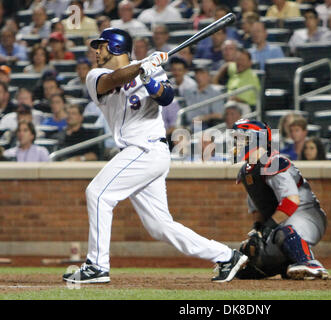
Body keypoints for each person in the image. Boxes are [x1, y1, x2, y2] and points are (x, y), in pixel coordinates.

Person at [62, 27, 248, 284]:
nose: (96, 50)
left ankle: (97, 266)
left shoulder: (150, 68)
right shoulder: (96, 75)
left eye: (101, 45)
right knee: (159, 226)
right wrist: (141, 67)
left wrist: (150, 78)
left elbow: (166, 97)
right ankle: (226, 255)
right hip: (138, 153)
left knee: (98, 193)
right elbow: (113, 80)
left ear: (116, 47)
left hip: (147, 148)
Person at [231, 119, 328, 280]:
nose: (236, 144)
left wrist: (266, 229)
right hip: (281, 220)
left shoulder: (274, 162)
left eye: (241, 139)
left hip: (305, 214)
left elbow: (291, 201)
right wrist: (257, 230)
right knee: (253, 250)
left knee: (282, 233)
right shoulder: (248, 169)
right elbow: (257, 206)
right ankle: (286, 265)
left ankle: (309, 262)